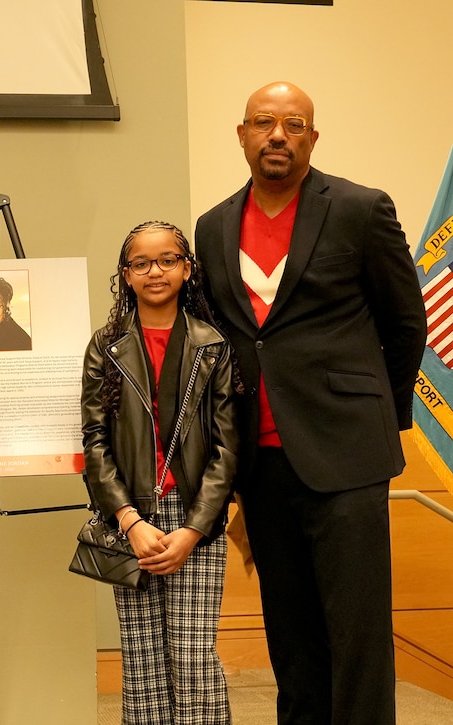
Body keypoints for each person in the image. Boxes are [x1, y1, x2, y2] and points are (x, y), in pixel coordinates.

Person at [195, 81, 427, 724]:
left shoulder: (359, 207)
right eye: (264, 123)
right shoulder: (213, 226)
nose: (278, 135)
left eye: (294, 124)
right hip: (260, 464)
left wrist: (384, 417)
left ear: (312, 138)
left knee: (356, 634)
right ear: (241, 135)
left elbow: (406, 323)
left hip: (346, 456)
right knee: (290, 632)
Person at [82, 220, 240, 724]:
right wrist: (129, 520)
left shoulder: (211, 344)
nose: (155, 271)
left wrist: (194, 530)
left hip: (197, 520)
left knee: (193, 663)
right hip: (131, 521)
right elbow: (94, 442)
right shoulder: (105, 346)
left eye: (168, 260)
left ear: (187, 269)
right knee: (144, 665)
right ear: (125, 275)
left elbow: (226, 449)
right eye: (142, 263)